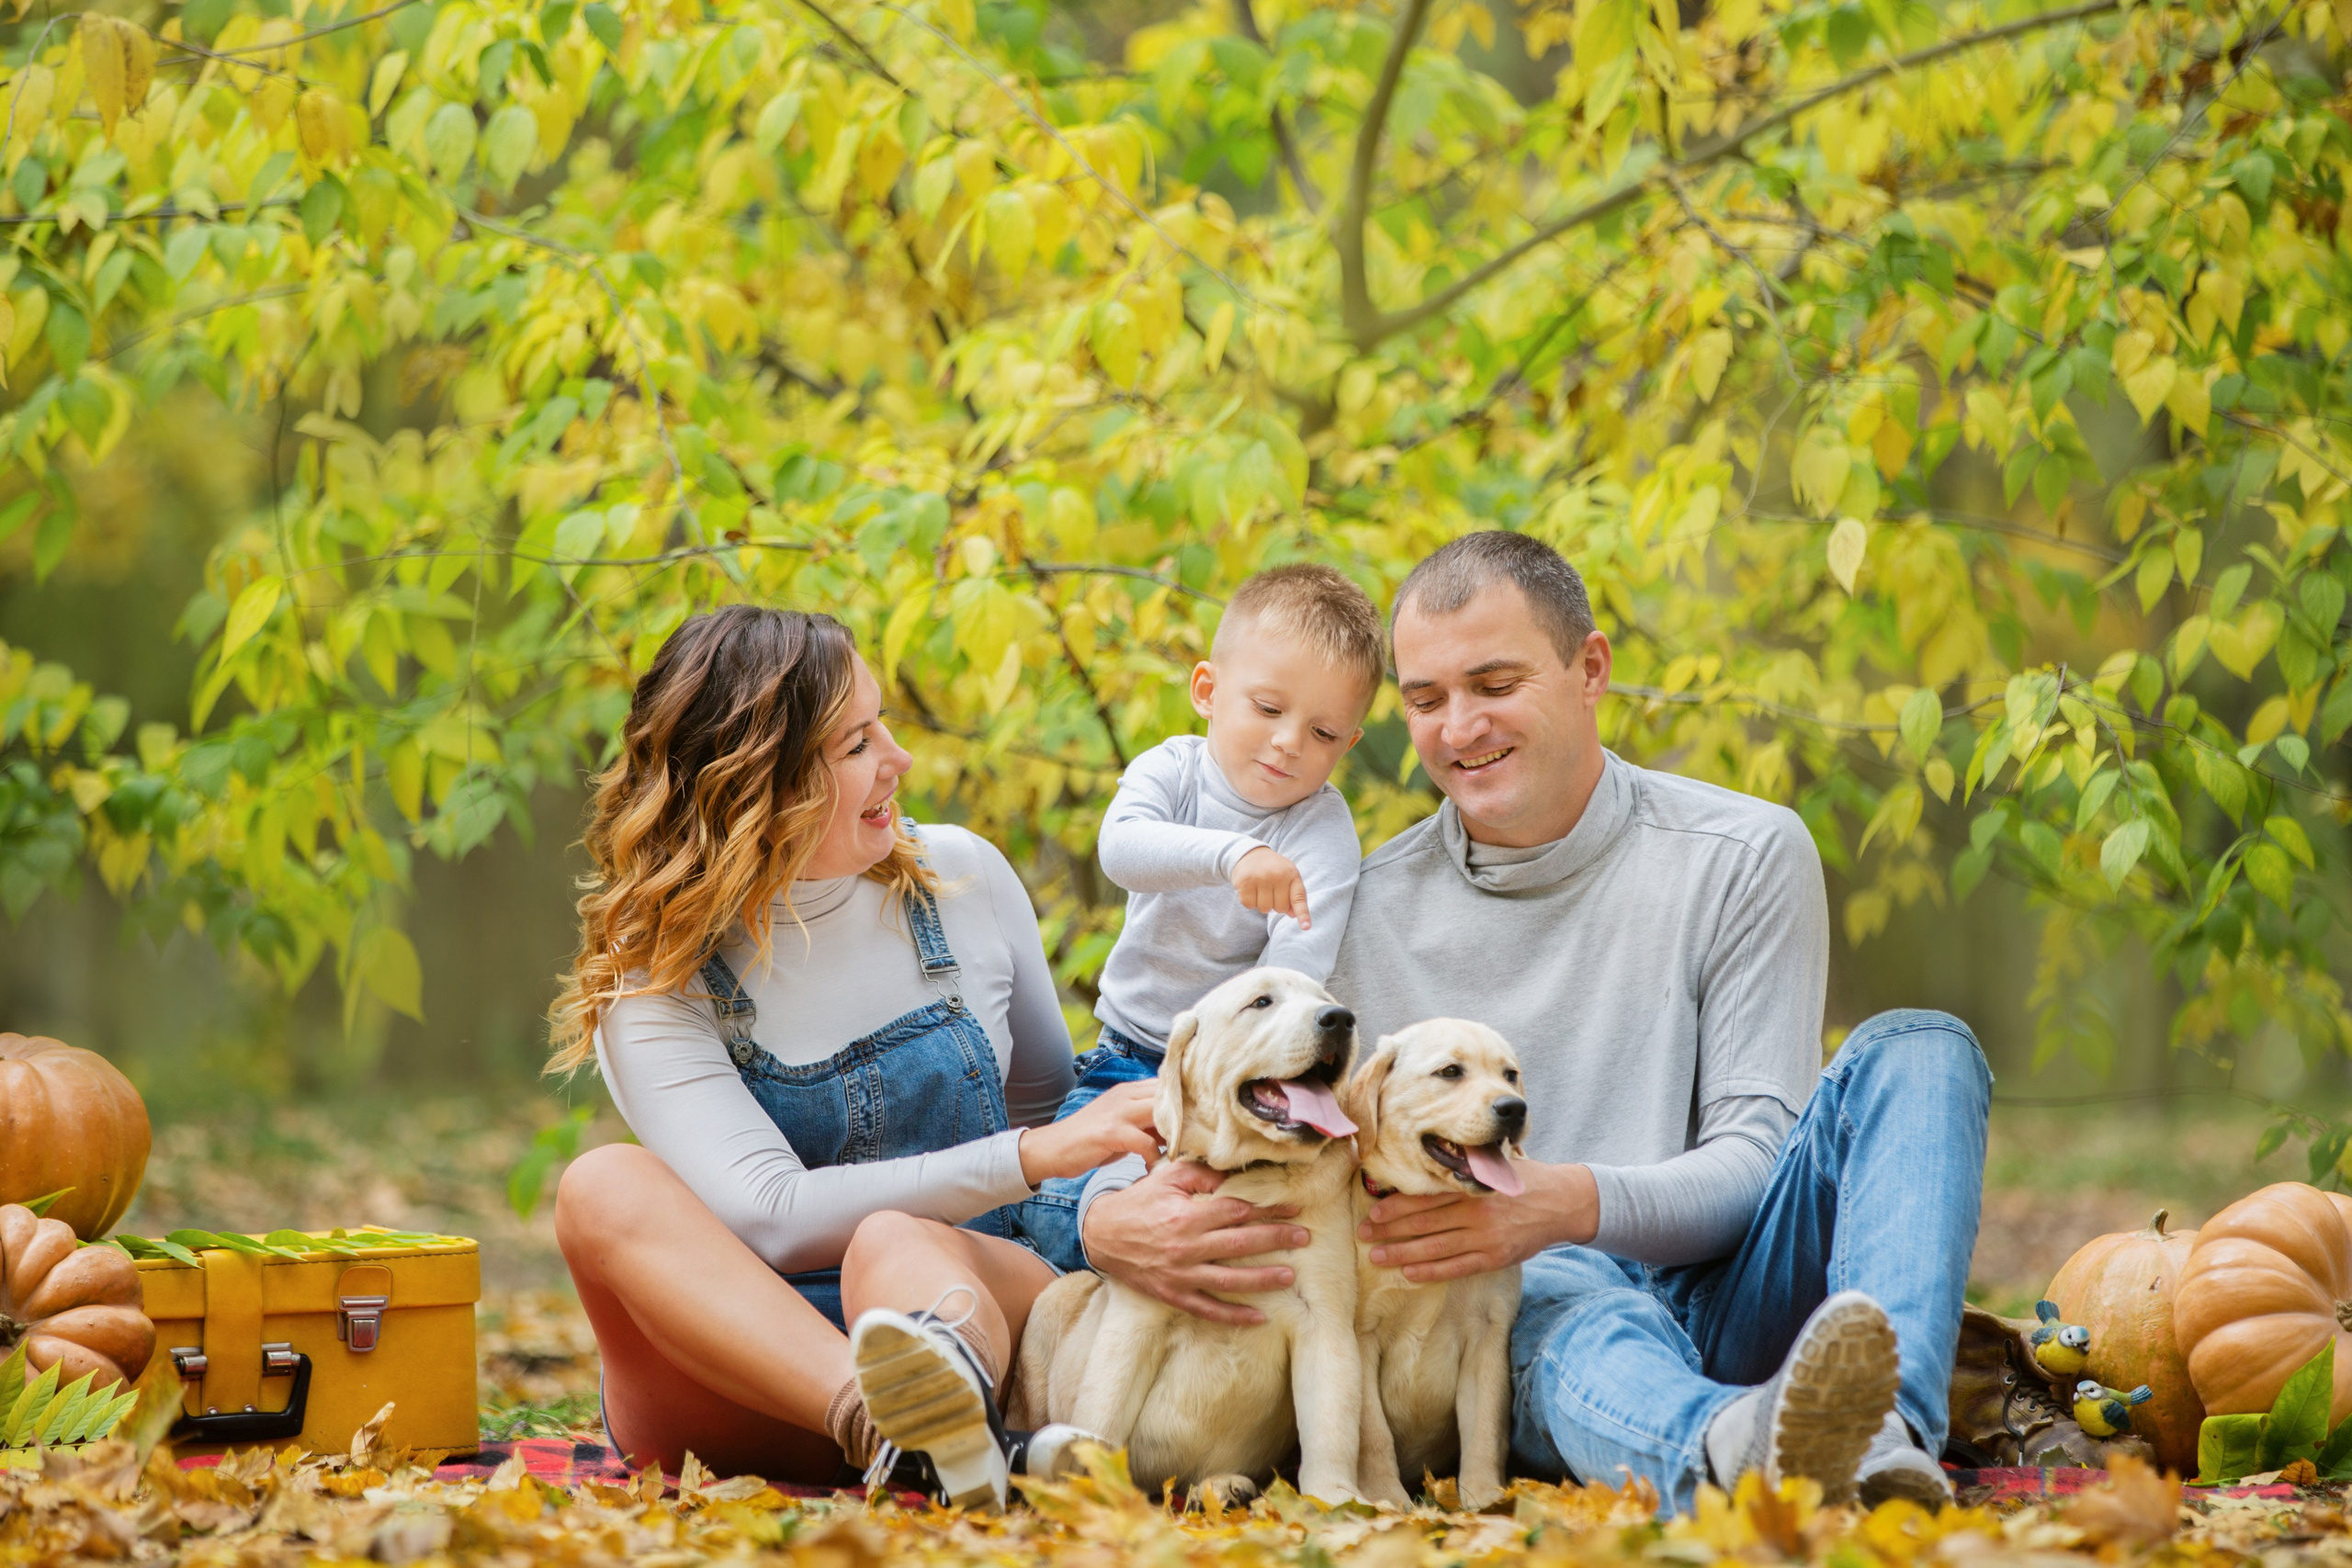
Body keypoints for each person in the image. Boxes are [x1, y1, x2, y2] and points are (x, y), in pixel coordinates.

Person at [1324, 531, 1989, 1512]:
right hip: (1532, 1320)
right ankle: (1733, 1455)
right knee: (1555, 1288)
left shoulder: (1742, 854)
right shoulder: (1358, 910)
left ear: (1589, 668)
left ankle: (1880, 1436)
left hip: (1739, 1286)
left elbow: (1758, 1155)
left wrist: (1564, 1201)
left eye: (1494, 684)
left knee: (1922, 1049)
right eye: (1424, 700)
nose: (1458, 729)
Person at [546, 605, 1158, 1508]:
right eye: (857, 742)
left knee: (891, 1241)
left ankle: (949, 1431)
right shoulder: (656, 977)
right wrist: (1023, 1161)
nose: (899, 761)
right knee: (601, 1185)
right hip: (750, 1372)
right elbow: (773, 1218)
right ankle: (896, 1432)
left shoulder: (964, 877)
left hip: (963, 1305)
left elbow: (1054, 1113)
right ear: (762, 783)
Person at [1019, 563, 1387, 1272]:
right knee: (1062, 1190)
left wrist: (1234, 1094)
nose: (1288, 742)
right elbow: (1121, 849)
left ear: (1348, 744)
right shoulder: (1174, 770)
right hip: (1131, 1056)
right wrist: (1235, 855)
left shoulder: (1321, 830)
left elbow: (1293, 979)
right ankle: (1111, 1228)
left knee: (1266, 1205)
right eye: (1268, 708)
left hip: (1245, 1076)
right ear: (1207, 692)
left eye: (1322, 731)